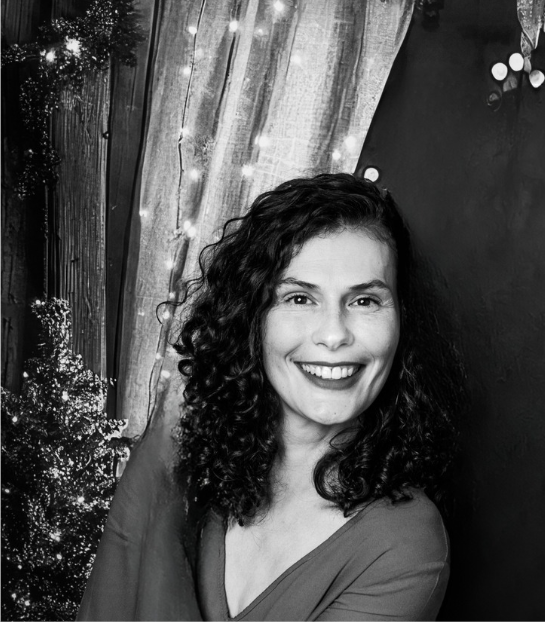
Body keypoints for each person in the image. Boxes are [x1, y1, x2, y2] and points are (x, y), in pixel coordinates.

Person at [77, 173, 464, 621]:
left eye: (364, 301)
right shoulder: (191, 466)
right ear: (252, 320)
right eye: (299, 298)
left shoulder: (404, 543)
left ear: (400, 323)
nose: (333, 335)